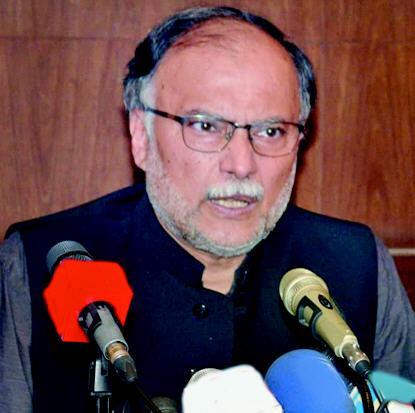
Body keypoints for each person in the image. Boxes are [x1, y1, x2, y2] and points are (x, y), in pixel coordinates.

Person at [1, 6, 414, 413]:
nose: (241, 164)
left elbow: (400, 395)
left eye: (271, 131)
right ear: (141, 135)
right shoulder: (36, 266)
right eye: (206, 126)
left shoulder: (356, 265)